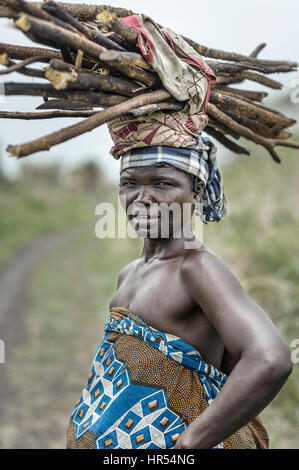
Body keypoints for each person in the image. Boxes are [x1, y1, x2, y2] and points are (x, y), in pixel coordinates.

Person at [66, 136, 292, 449]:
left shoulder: (197, 268)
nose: (142, 198)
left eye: (162, 183)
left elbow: (271, 358)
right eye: (129, 183)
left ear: (196, 192)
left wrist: (190, 443)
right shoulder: (129, 274)